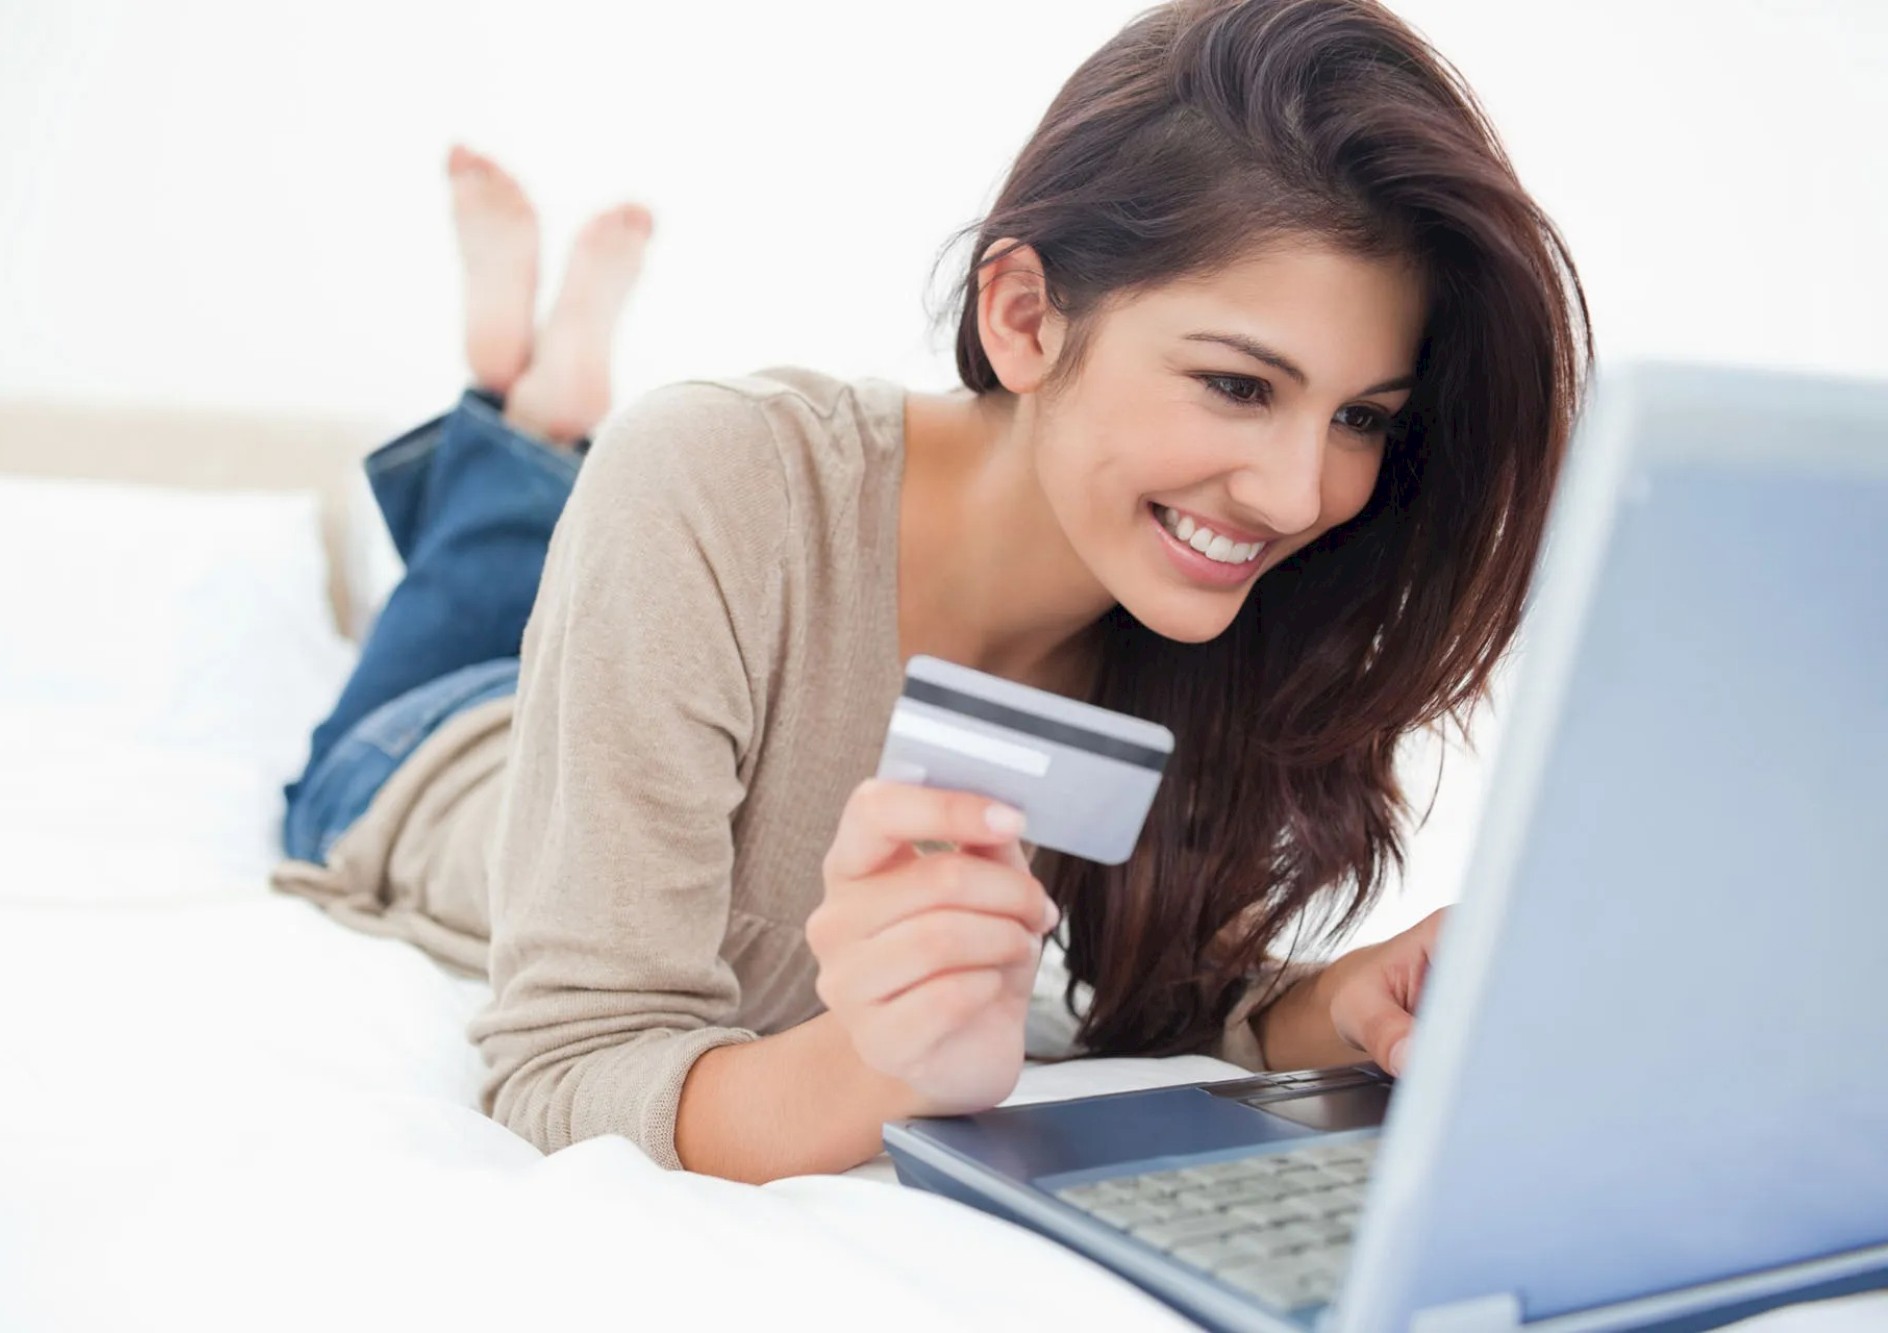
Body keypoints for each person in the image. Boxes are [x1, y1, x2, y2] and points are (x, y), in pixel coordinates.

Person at [274, 0, 1590, 1184]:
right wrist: (879, 1070)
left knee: (550, 518)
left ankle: (539, 406)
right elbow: (566, 1066)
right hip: (437, 749)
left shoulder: (1195, 612)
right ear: (1022, 317)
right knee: (493, 554)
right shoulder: (715, 472)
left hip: (650, 627)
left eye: (1362, 416)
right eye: (1238, 385)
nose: (1302, 495)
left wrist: (1346, 994)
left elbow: (1177, 993)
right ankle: (532, 406)